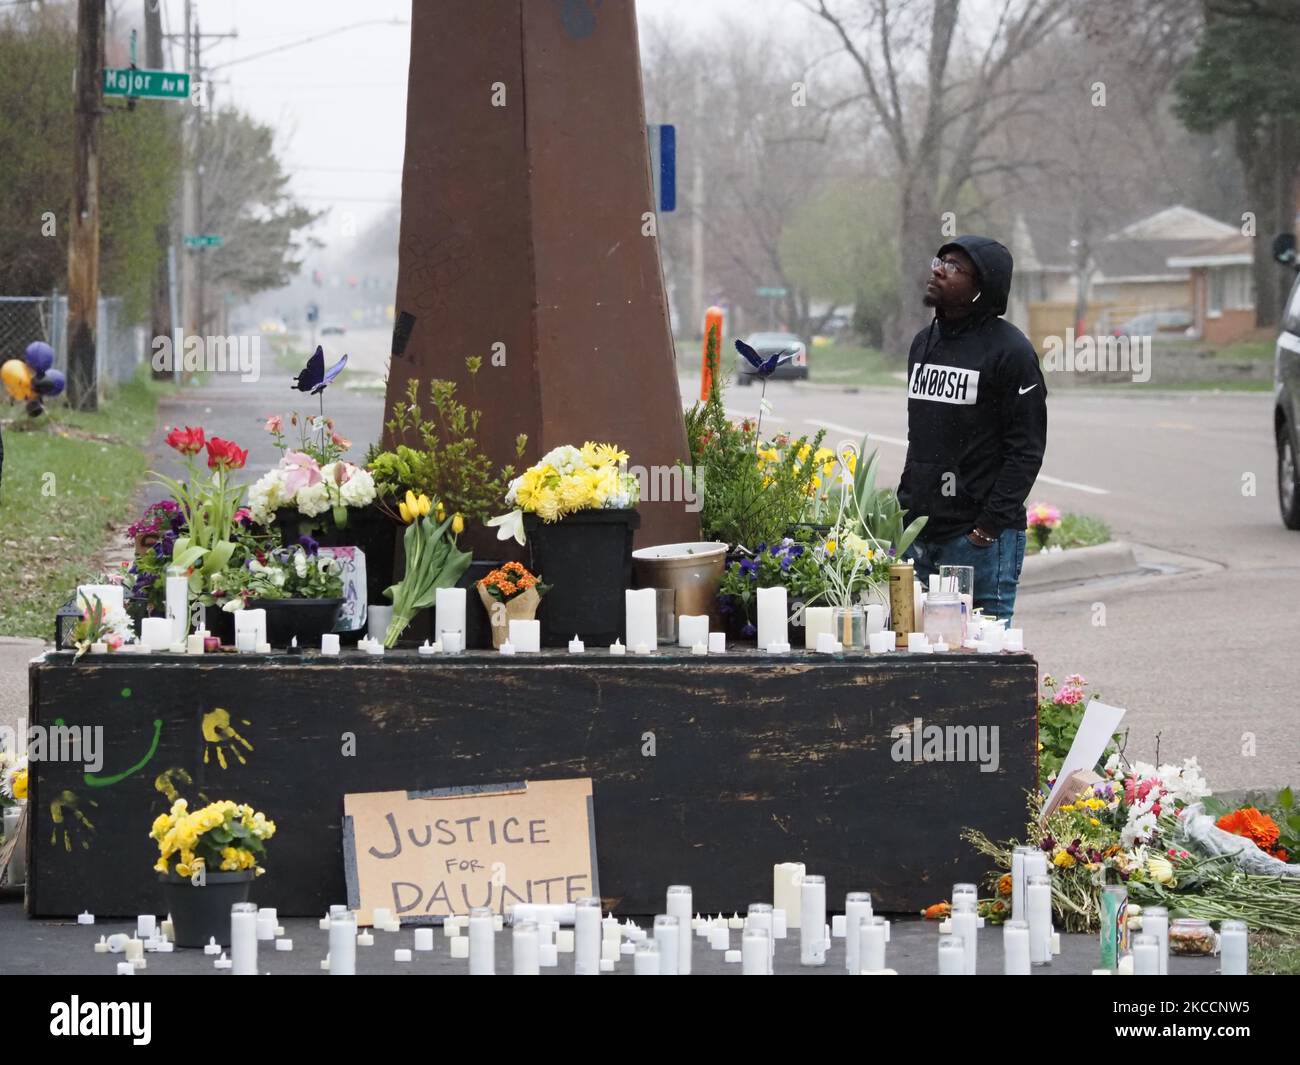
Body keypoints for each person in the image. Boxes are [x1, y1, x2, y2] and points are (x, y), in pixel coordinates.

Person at [896, 236, 1047, 621]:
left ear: (983, 288)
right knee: (922, 656)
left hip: (978, 542)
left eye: (954, 267)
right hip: (921, 533)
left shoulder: (1011, 352)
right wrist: (906, 509)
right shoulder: (923, 343)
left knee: (983, 664)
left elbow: (1026, 449)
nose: (938, 269)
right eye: (939, 259)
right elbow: (922, 438)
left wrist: (987, 528)